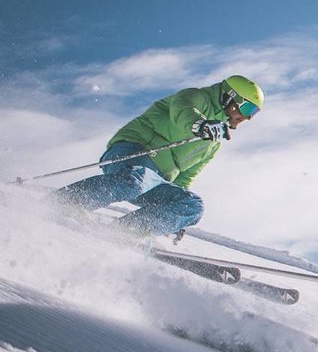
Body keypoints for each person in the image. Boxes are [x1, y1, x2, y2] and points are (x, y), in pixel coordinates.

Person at [55, 75, 263, 238]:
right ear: (230, 97)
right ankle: (65, 203)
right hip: (131, 153)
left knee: (193, 205)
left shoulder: (213, 142)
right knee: (136, 180)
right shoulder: (195, 97)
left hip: (154, 181)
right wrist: (200, 125)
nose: (246, 117)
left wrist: (176, 218)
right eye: (247, 108)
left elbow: (185, 177)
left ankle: (122, 233)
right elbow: (184, 112)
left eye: (253, 113)